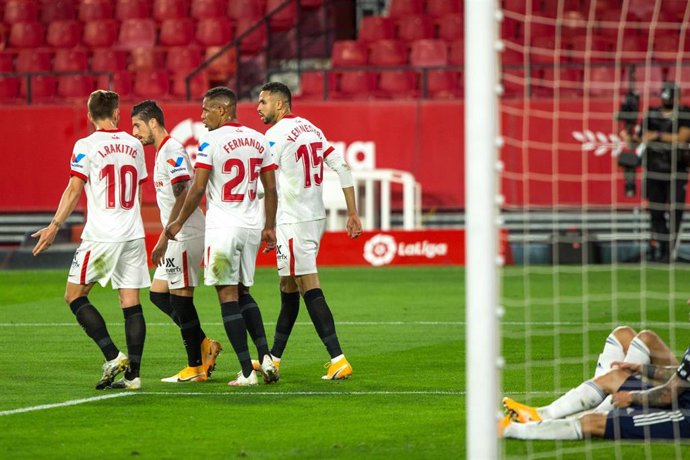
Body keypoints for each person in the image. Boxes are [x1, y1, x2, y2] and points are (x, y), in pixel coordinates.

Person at [32, 90, 150, 390]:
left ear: (88, 116)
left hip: (102, 235)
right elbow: (135, 188)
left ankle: (112, 355)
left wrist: (54, 225)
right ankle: (133, 376)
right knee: (131, 302)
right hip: (132, 233)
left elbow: (74, 189)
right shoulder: (135, 144)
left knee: (74, 295)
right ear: (117, 114)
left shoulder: (85, 145)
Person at [166, 86, 279, 387]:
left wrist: (178, 221)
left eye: (205, 110)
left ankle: (246, 372)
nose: (201, 116)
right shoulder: (259, 139)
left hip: (223, 228)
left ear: (222, 110)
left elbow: (198, 188)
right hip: (251, 227)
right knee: (244, 292)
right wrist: (270, 226)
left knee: (227, 296)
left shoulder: (211, 141)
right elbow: (271, 188)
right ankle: (265, 358)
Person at [256, 81, 363, 380]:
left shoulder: (275, 135)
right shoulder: (312, 129)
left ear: (279, 104)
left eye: (263, 102)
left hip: (294, 221)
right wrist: (352, 211)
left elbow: (266, 182)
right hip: (315, 217)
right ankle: (273, 359)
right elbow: (341, 166)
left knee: (307, 286)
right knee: (287, 287)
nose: (258, 108)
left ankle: (338, 358)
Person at [130, 100, 222, 383]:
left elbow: (183, 191)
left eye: (137, 125)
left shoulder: (171, 149)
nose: (134, 132)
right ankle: (205, 345)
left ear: (153, 123)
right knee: (158, 294)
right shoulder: (161, 153)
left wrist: (166, 234)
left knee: (182, 300)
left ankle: (195, 367)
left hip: (185, 234)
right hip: (177, 235)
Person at [500, 327, 690, 440]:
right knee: (615, 372)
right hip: (679, 395)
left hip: (684, 413)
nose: (688, 301)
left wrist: (632, 397)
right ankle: (540, 414)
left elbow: (666, 395)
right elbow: (681, 375)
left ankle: (511, 430)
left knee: (593, 423)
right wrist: (642, 369)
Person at [621, 81, 690, 263]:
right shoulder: (651, 114)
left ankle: (670, 251)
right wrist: (629, 137)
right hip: (653, 168)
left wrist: (657, 136)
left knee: (675, 211)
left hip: (676, 169)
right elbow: (638, 140)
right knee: (656, 211)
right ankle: (661, 249)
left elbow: (682, 138)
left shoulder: (684, 113)